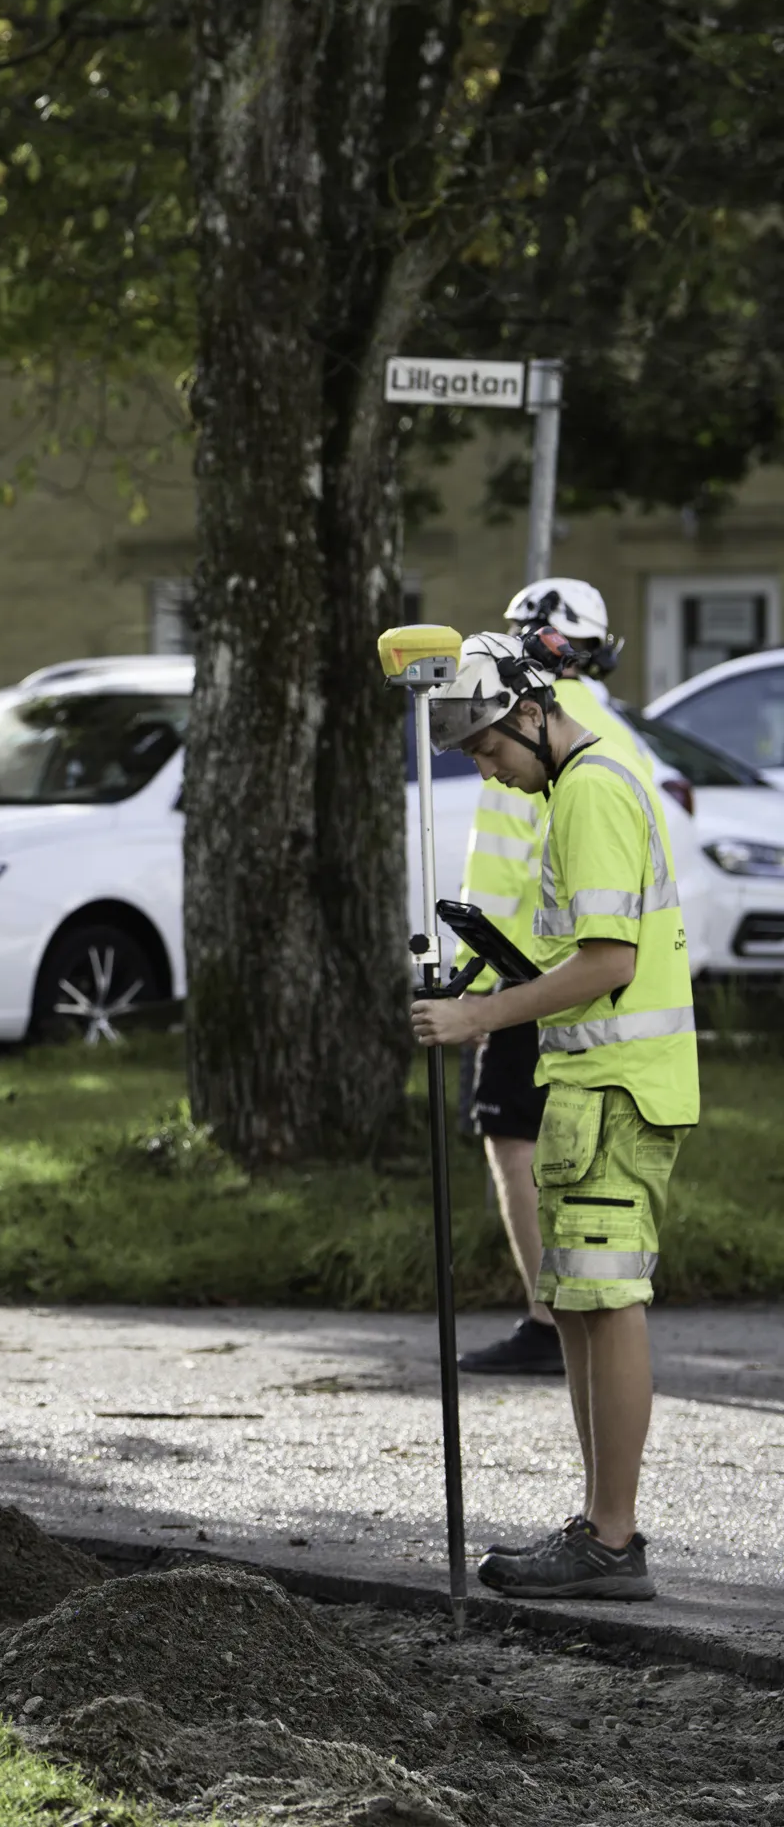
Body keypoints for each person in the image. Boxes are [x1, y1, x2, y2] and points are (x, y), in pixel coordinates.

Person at [415, 629, 697, 1601]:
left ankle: (611, 1539)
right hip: (591, 1085)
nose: (490, 771)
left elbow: (609, 960)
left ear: (530, 710)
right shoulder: (572, 787)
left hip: (621, 1089)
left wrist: (477, 1015)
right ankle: (594, 1525)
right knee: (577, 1305)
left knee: (607, 1301)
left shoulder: (589, 790)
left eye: (490, 749)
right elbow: (576, 956)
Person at [455, 580, 654, 1377]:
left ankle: (548, 1316)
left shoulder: (522, 727)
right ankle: (573, 1311)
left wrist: (478, 1000)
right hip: (598, 984)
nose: (487, 769)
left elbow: (506, 861)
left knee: (514, 1140)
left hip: (533, 972)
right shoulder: (615, 730)